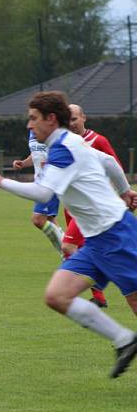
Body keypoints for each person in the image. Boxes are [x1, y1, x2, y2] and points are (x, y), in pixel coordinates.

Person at [0, 91, 137, 378]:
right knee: (57, 296)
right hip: (95, 241)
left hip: (116, 235)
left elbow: (44, 192)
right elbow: (109, 163)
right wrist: (125, 190)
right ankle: (125, 340)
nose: (29, 125)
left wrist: (2, 181)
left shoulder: (65, 146)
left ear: (51, 119)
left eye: (33, 119)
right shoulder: (71, 141)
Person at [63, 103, 121, 308]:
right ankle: (99, 296)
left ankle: (91, 279)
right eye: (67, 120)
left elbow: (115, 167)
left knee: (68, 246)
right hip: (71, 205)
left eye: (74, 119)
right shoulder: (64, 143)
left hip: (91, 206)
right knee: (82, 247)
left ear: (83, 118)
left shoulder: (98, 141)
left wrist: (120, 194)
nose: (71, 123)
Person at [12, 131, 65, 256]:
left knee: (38, 219)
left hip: (50, 181)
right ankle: (69, 251)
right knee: (50, 220)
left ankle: (69, 253)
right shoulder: (33, 130)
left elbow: (64, 153)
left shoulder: (52, 129)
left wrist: (52, 163)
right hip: (40, 182)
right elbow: (37, 154)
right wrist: (23, 163)